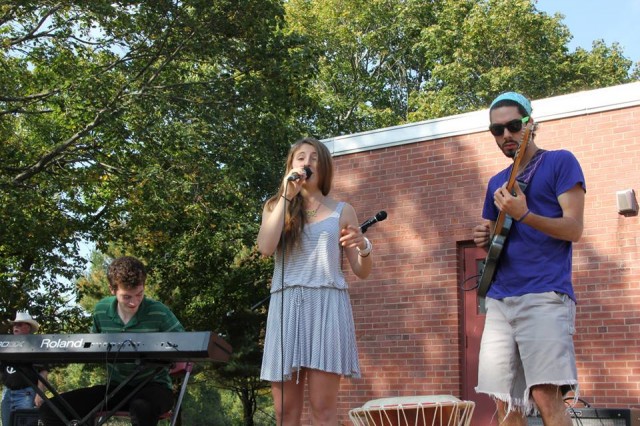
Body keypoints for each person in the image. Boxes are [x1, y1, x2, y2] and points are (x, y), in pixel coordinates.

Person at [472, 92, 586, 426]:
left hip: (545, 294)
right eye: (497, 130)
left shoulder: (560, 162)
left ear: (530, 124)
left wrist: (525, 214)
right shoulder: (497, 182)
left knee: (545, 395)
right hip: (499, 299)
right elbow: (496, 240)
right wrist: (484, 238)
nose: (506, 135)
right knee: (504, 401)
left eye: (513, 125)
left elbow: (574, 229)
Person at [257, 136, 373, 425]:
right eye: (300, 157)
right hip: (286, 307)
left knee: (323, 409)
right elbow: (265, 247)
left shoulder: (342, 211)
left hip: (327, 306)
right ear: (291, 165)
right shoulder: (276, 206)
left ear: (324, 169)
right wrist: (286, 196)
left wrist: (364, 246)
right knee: (286, 412)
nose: (307, 163)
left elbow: (361, 270)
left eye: (314, 158)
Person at [39, 256, 184, 426]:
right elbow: (93, 346)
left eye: (139, 294)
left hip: (154, 388)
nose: (134, 302)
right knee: (51, 409)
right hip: (115, 389)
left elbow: (184, 343)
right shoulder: (101, 310)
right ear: (112, 290)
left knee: (141, 407)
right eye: (127, 297)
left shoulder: (158, 312)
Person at [1, 312, 48, 425]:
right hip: (7, 392)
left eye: (19, 324)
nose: (15, 327)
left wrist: (39, 394)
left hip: (26, 393)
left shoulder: (36, 344)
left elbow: (43, 371)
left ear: (27, 327)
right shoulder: (6, 344)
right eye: (14, 324)